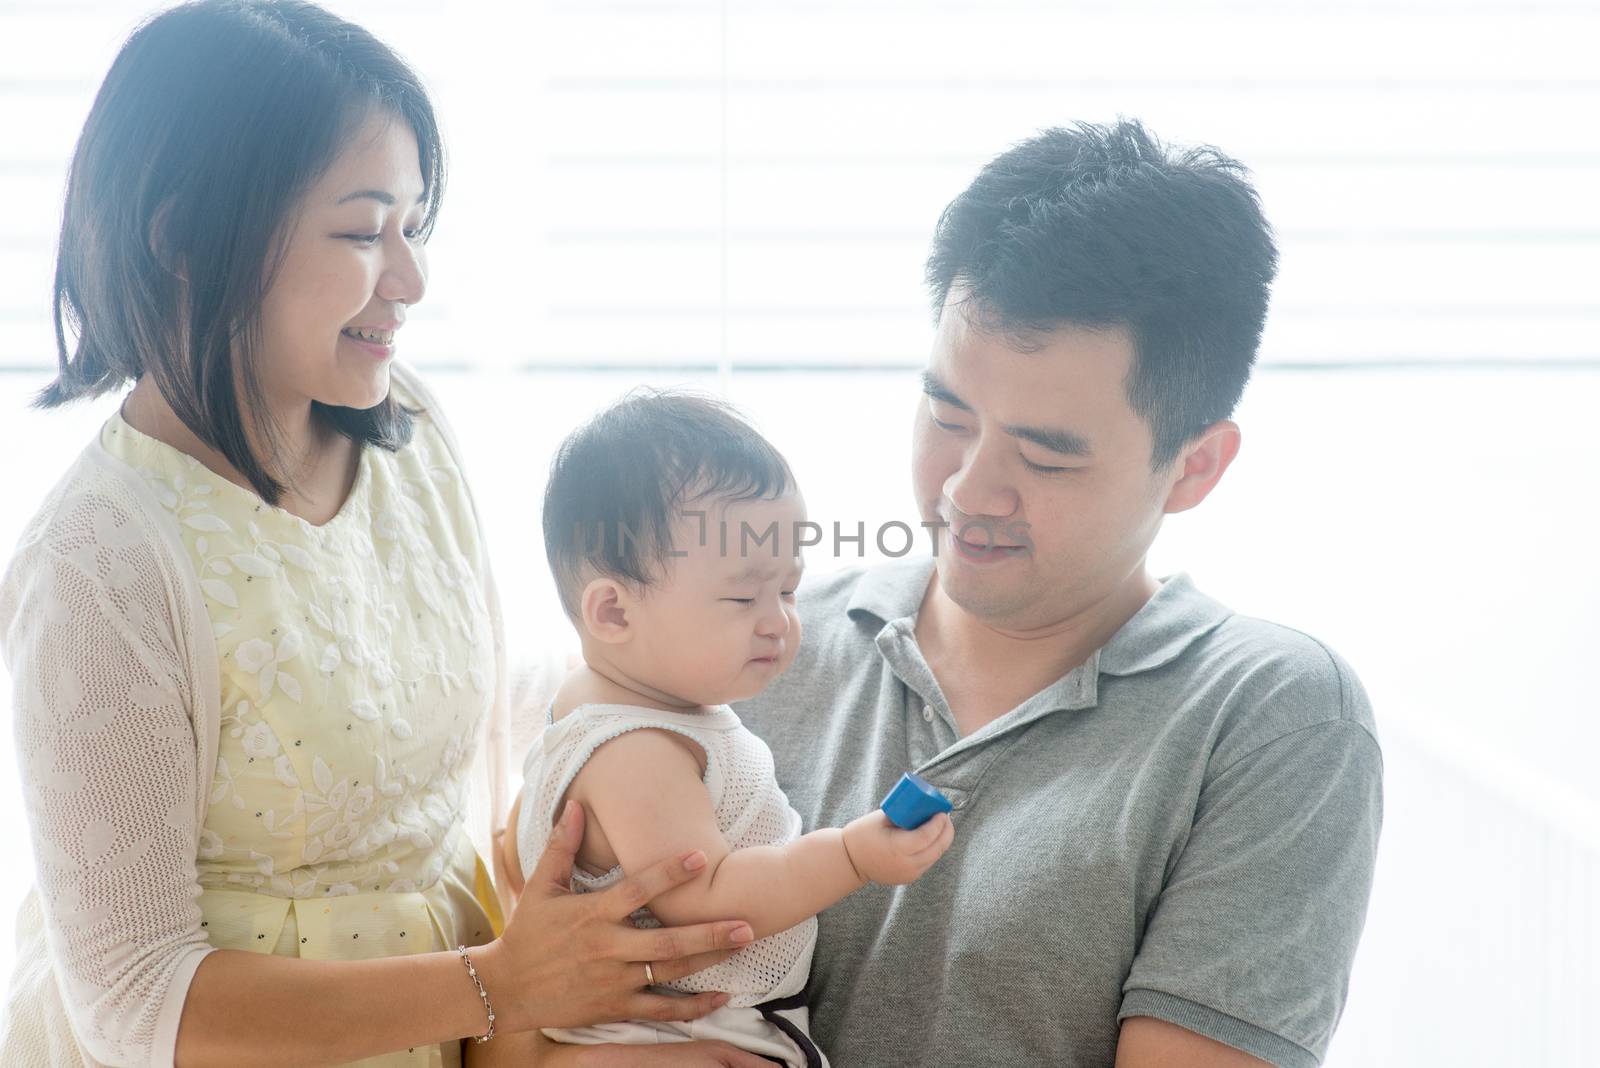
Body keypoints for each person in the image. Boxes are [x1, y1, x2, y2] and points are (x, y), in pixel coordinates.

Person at [532, 120, 1384, 1066]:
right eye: (947, 414)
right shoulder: (733, 650)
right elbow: (516, 1024)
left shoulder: (1269, 716)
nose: (968, 490)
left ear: (1195, 468)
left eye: (1047, 454)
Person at [0, 3, 759, 1065]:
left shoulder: (411, 435)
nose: (408, 279)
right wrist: (497, 987)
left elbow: (471, 788)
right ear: (181, 236)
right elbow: (133, 1001)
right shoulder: (98, 563)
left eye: (413, 227)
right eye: (362, 231)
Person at [494, 390, 956, 1067]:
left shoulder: (635, 703)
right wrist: (852, 855)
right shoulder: (636, 750)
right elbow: (707, 902)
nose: (778, 621)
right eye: (743, 597)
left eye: (789, 590)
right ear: (614, 614)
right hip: (670, 1038)